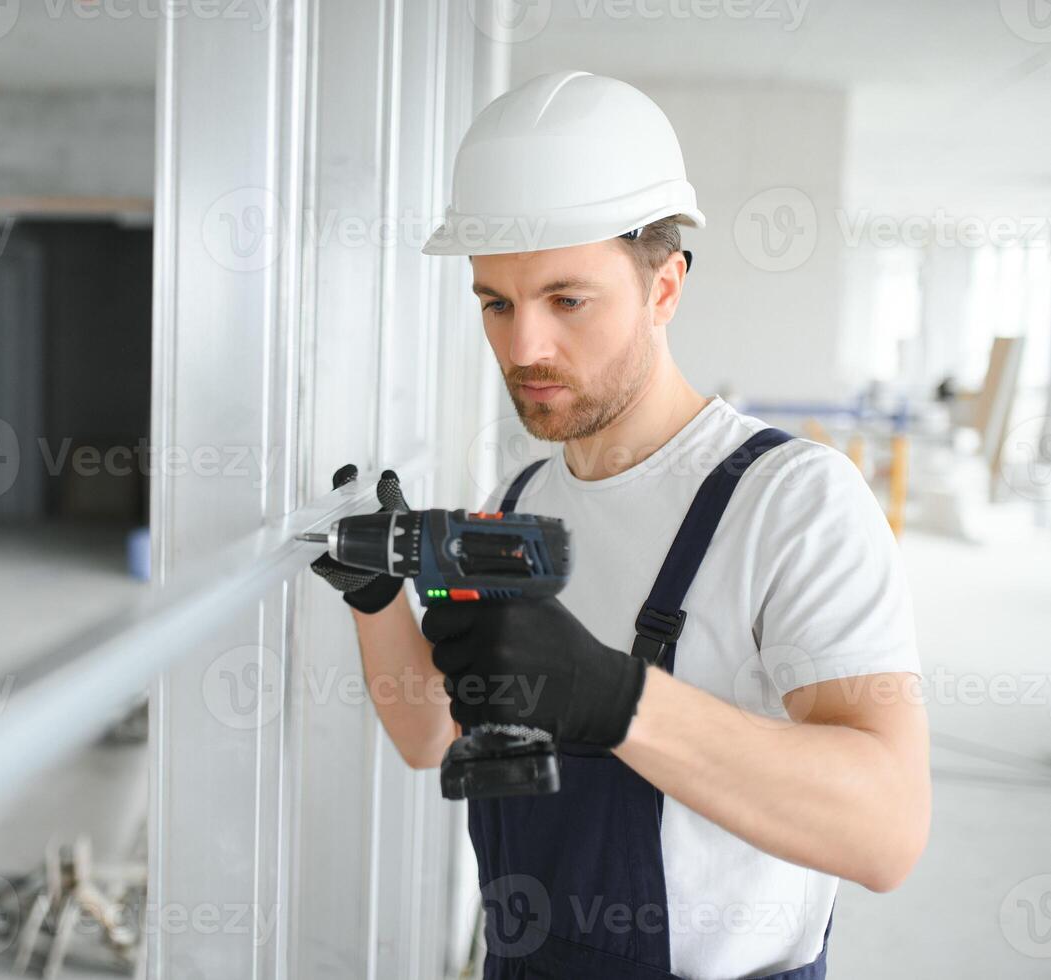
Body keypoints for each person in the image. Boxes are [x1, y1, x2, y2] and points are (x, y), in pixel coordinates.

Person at [310, 70, 928, 980]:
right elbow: (432, 736)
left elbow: (887, 832)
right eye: (496, 302)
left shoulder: (791, 502)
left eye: (567, 299)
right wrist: (376, 602)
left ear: (664, 288)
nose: (522, 348)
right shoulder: (521, 499)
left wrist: (615, 698)